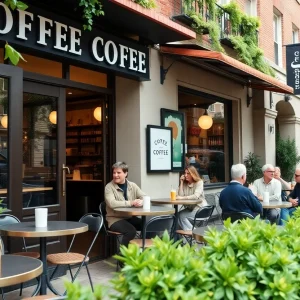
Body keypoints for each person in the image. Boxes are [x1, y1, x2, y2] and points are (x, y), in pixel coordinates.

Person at [104, 162, 145, 247]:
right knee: (130, 231)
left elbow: (144, 196)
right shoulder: (109, 187)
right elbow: (112, 203)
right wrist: (131, 203)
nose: (115, 175)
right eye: (114, 172)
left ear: (126, 173)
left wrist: (141, 201)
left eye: (118, 173)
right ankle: (123, 257)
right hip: (114, 219)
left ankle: (143, 251)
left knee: (147, 226)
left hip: (129, 217)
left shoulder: (132, 185)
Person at [177, 165, 207, 230]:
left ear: (193, 174)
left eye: (188, 173)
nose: (185, 175)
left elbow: (196, 196)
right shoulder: (185, 183)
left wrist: (182, 198)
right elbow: (180, 195)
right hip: (191, 208)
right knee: (178, 215)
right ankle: (193, 234)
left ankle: (193, 234)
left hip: (200, 209)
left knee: (181, 216)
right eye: (185, 173)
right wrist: (181, 182)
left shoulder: (199, 182)